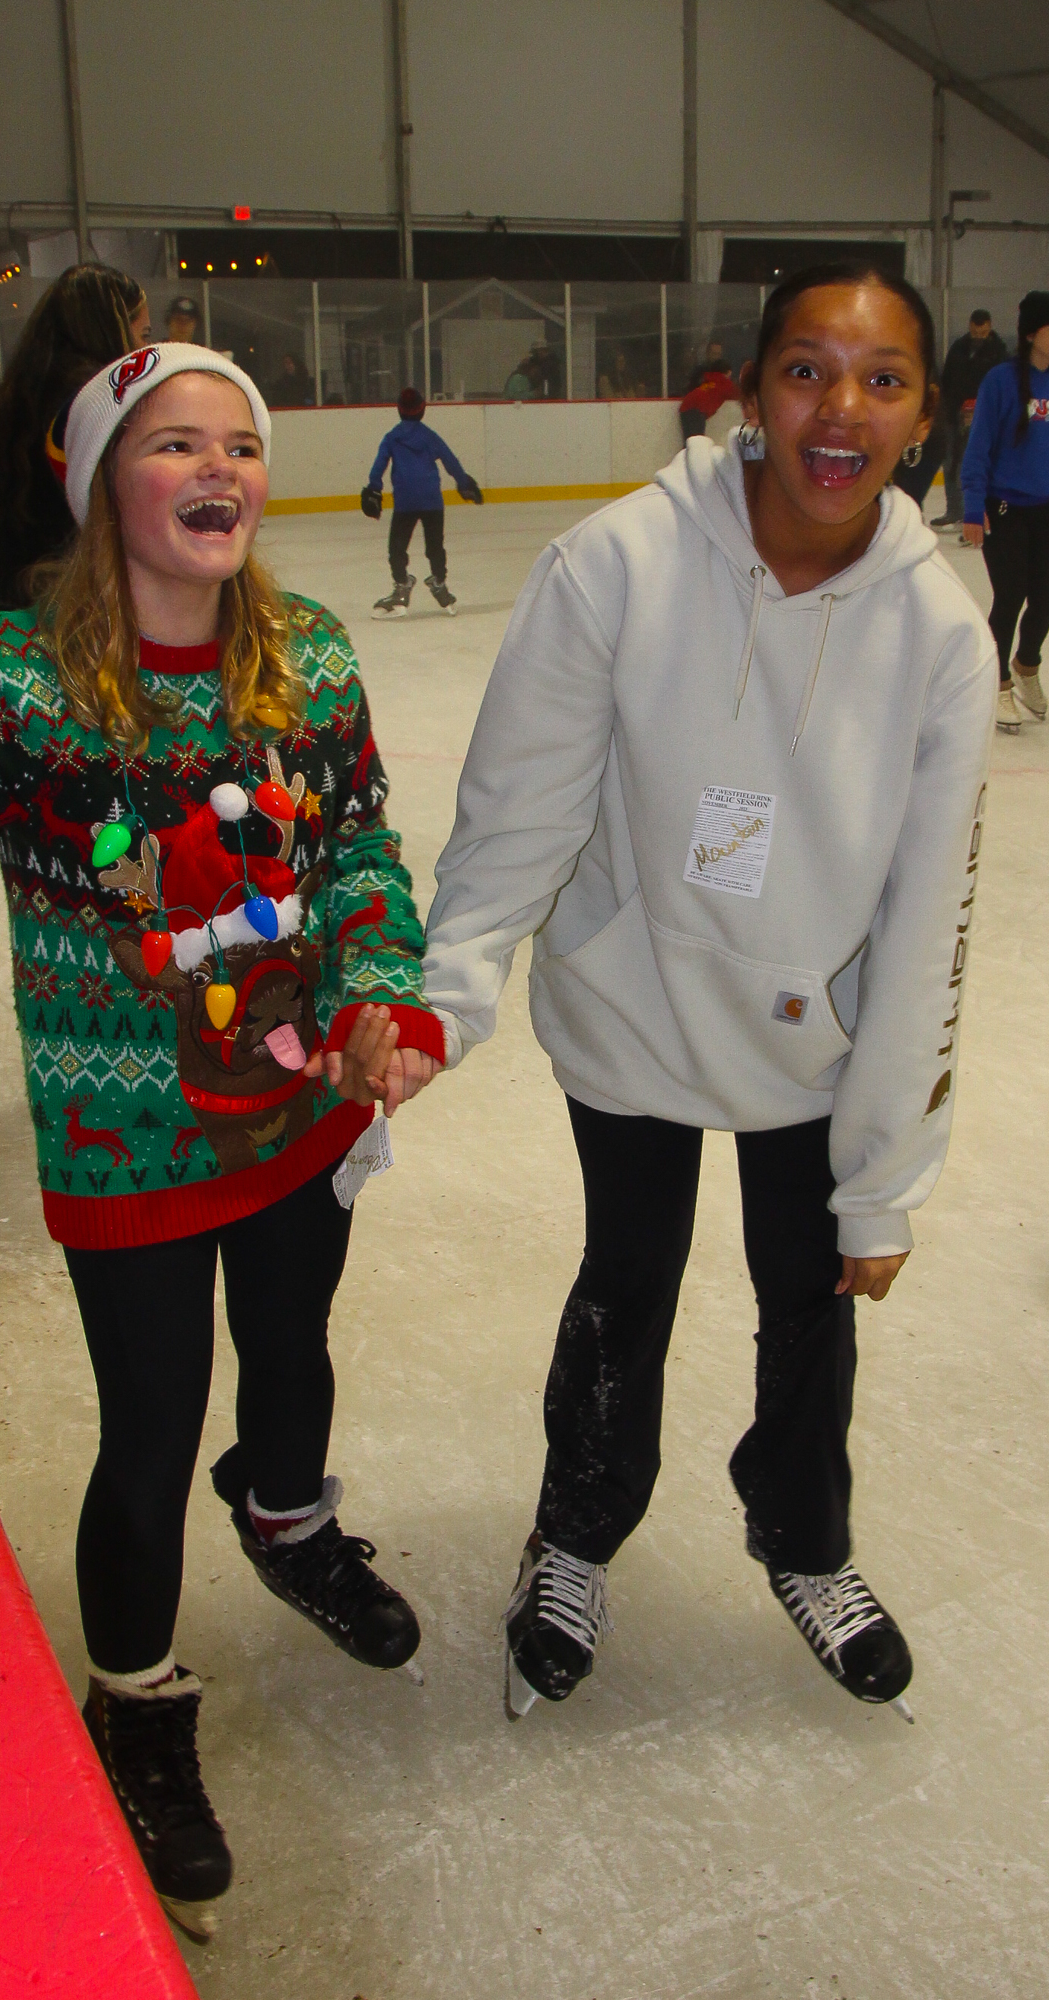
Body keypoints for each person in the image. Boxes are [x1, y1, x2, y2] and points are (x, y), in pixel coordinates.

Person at [0, 343, 443, 1939]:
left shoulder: (310, 658)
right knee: (151, 1423)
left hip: (300, 1095)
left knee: (293, 1352)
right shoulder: (16, 679)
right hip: (127, 1135)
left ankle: (289, 1522)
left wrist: (387, 992)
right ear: (101, 475)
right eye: (173, 442)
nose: (216, 468)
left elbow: (362, 854)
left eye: (239, 442)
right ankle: (136, 1694)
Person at [421, 265, 994, 1725]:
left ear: (925, 415)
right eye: (806, 370)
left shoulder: (937, 634)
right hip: (632, 1005)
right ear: (750, 391)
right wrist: (448, 990)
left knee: (811, 1289)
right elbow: (521, 809)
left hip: (810, 1036)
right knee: (628, 1276)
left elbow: (926, 923)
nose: (839, 410)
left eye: (881, 380)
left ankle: (803, 1538)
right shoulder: (616, 564)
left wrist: (884, 1180)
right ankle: (575, 1530)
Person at [0, 264, 149, 609]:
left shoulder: (4, 402)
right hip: (82, 604)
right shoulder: (98, 400)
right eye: (143, 334)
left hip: (16, 604)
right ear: (111, 330)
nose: (145, 349)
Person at [958, 291, 1049, 737]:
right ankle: (999, 684)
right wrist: (973, 506)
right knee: (1011, 595)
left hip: (1046, 510)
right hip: (1005, 507)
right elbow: (979, 445)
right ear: (1032, 333)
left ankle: (1026, 665)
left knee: (1046, 598)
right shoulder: (1000, 381)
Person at [362, 386, 482, 617]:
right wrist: (464, 483)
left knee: (397, 548)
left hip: (405, 502)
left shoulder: (392, 438)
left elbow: (379, 466)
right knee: (435, 547)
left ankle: (401, 587)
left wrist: (374, 489)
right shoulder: (429, 436)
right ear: (422, 410)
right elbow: (450, 460)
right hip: (432, 501)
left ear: (399, 409)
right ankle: (439, 583)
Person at [934, 310, 1007, 529]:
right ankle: (954, 511)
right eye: (975, 331)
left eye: (982, 331)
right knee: (950, 462)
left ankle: (973, 514)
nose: (978, 335)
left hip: (983, 417)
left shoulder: (998, 353)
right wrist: (947, 409)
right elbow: (947, 380)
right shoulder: (959, 348)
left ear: (989, 326)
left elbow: (1001, 388)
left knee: (970, 464)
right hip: (954, 414)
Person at [678, 349, 741, 441]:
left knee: (690, 440)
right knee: (697, 440)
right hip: (698, 410)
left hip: (686, 406)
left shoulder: (709, 378)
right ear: (728, 372)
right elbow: (738, 394)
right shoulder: (724, 383)